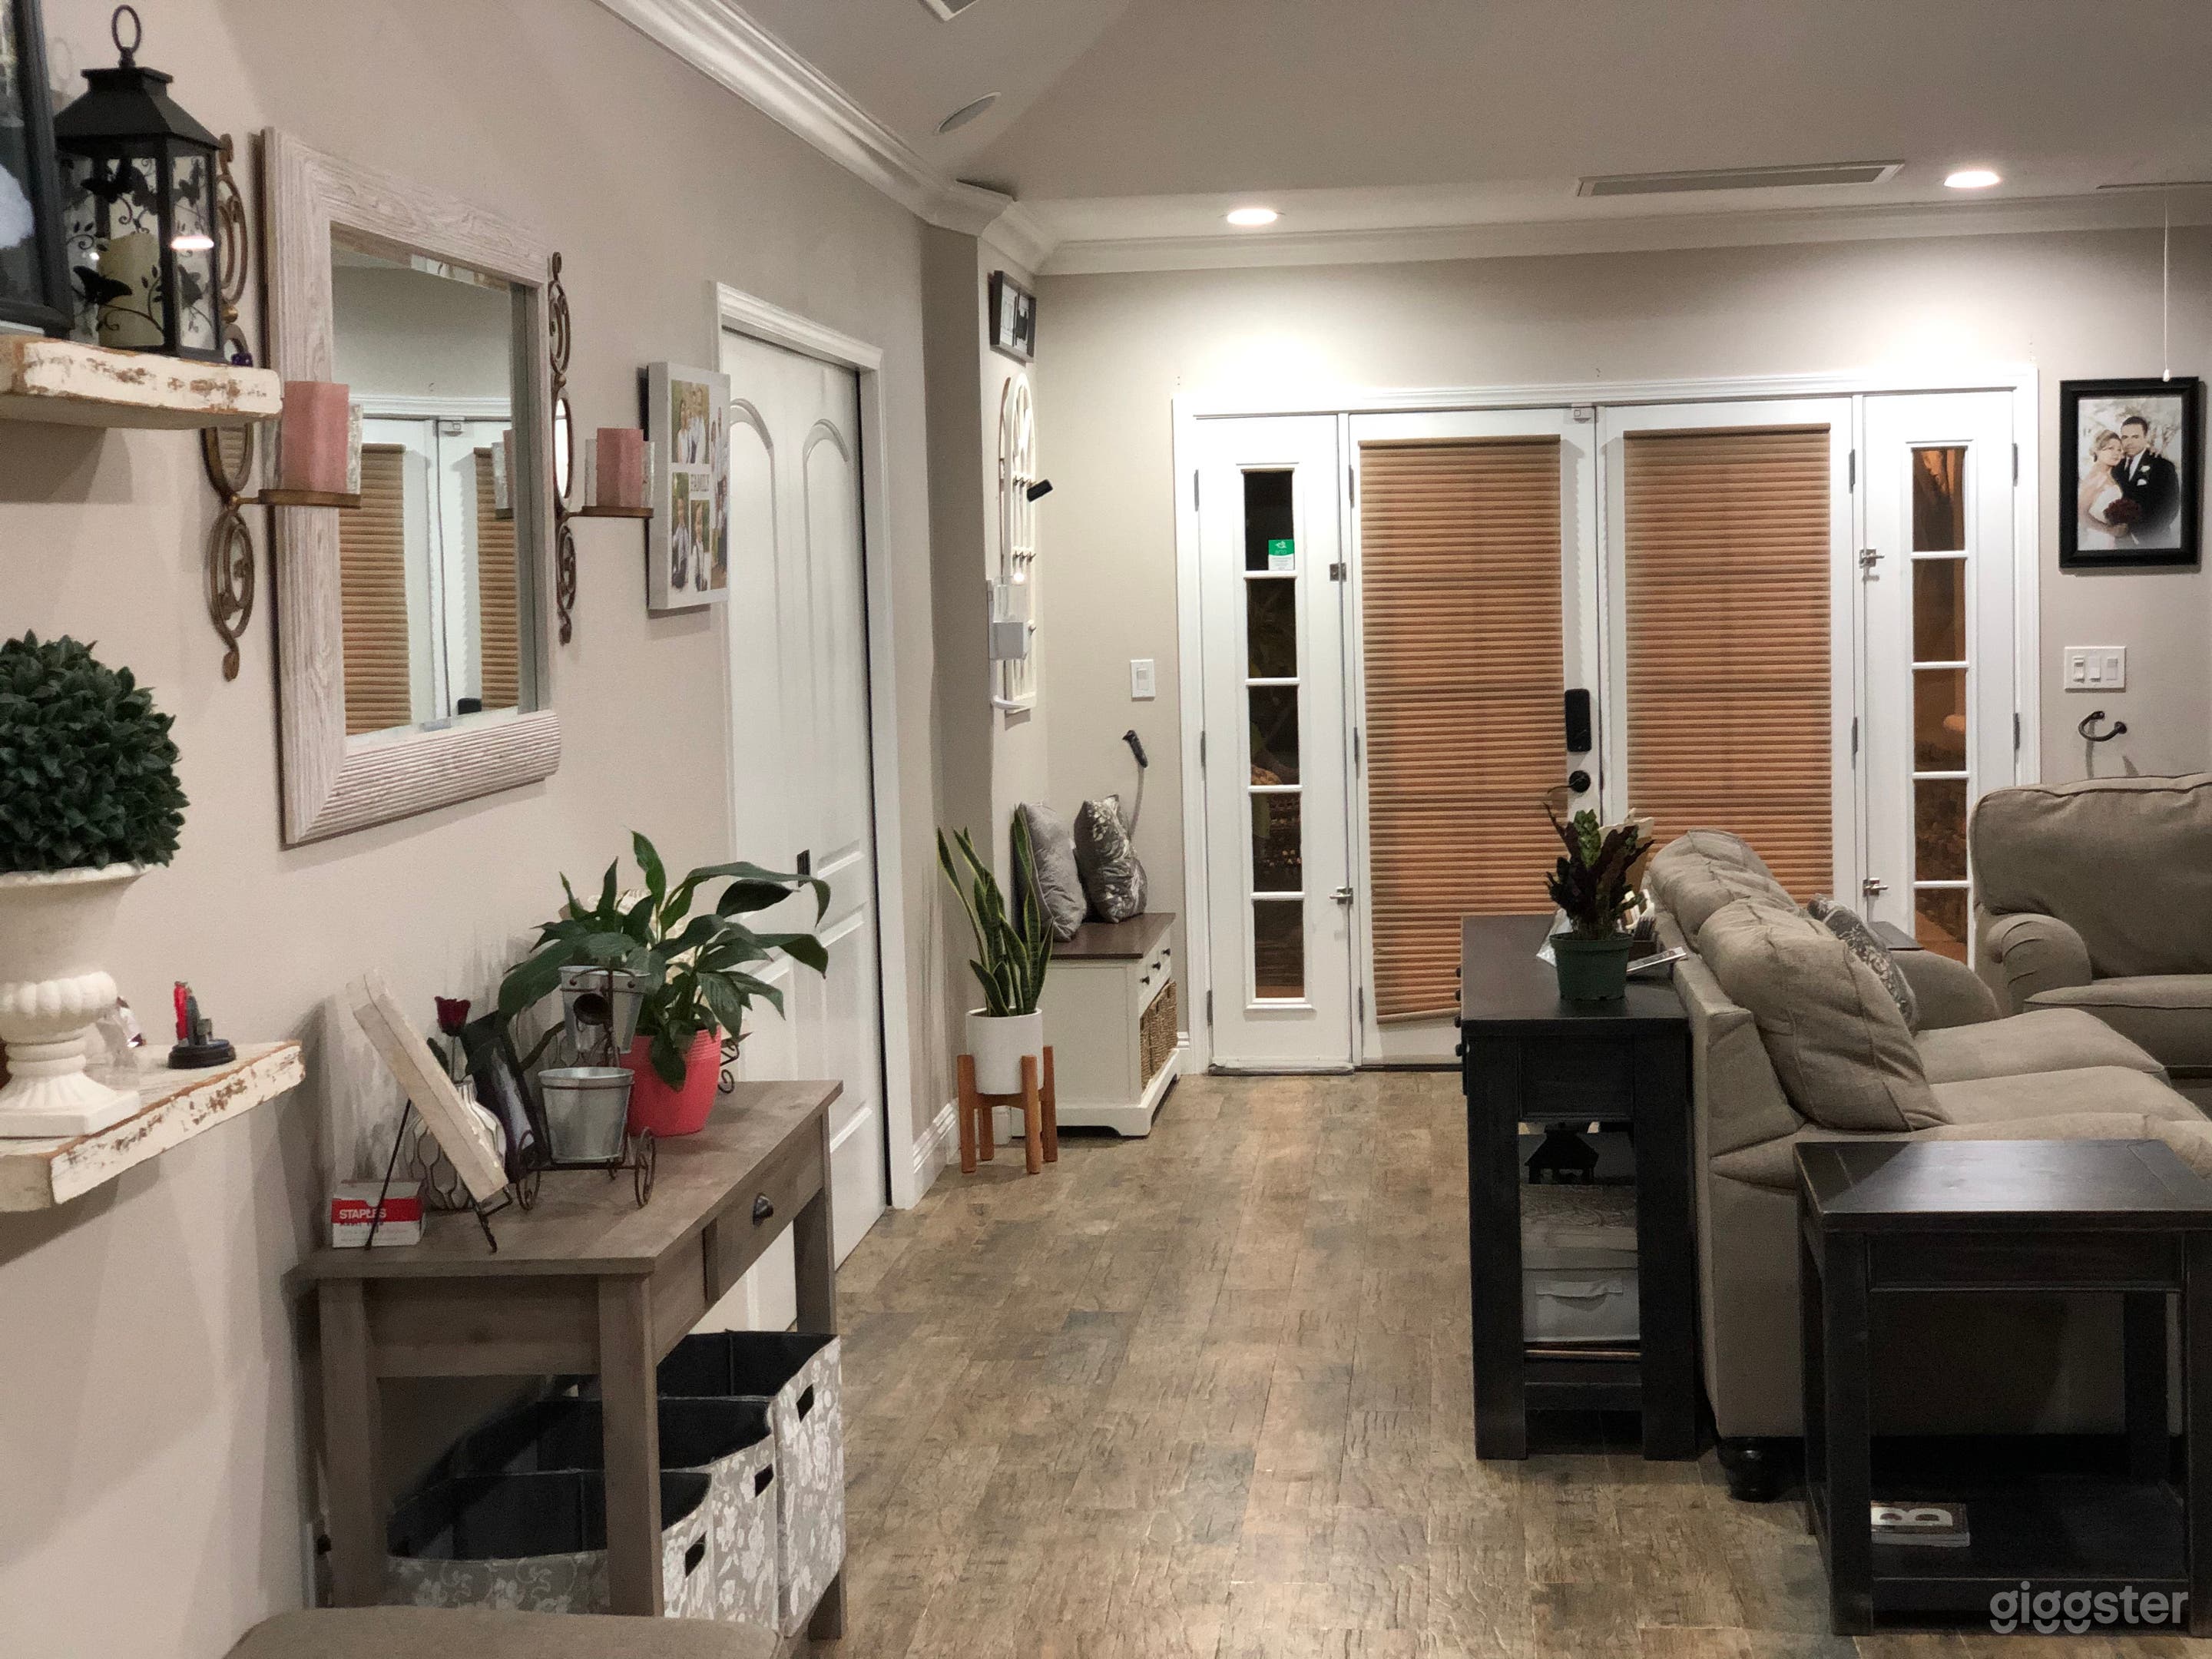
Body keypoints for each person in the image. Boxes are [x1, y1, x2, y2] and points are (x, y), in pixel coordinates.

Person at [2110, 411, 2182, 545]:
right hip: (2121, 543)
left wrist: (2144, 536)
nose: (2129, 442)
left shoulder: (2162, 466)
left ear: (2146, 437)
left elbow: (2171, 507)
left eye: (2135, 437)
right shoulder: (2116, 467)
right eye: (2125, 437)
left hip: (2154, 542)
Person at [2078, 427, 2129, 549]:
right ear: (2097, 450)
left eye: (2119, 450)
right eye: (2111, 448)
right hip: (2099, 538)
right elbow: (2081, 514)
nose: (2117, 453)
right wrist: (2109, 530)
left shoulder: (2110, 476)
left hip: (2112, 539)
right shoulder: (2097, 478)